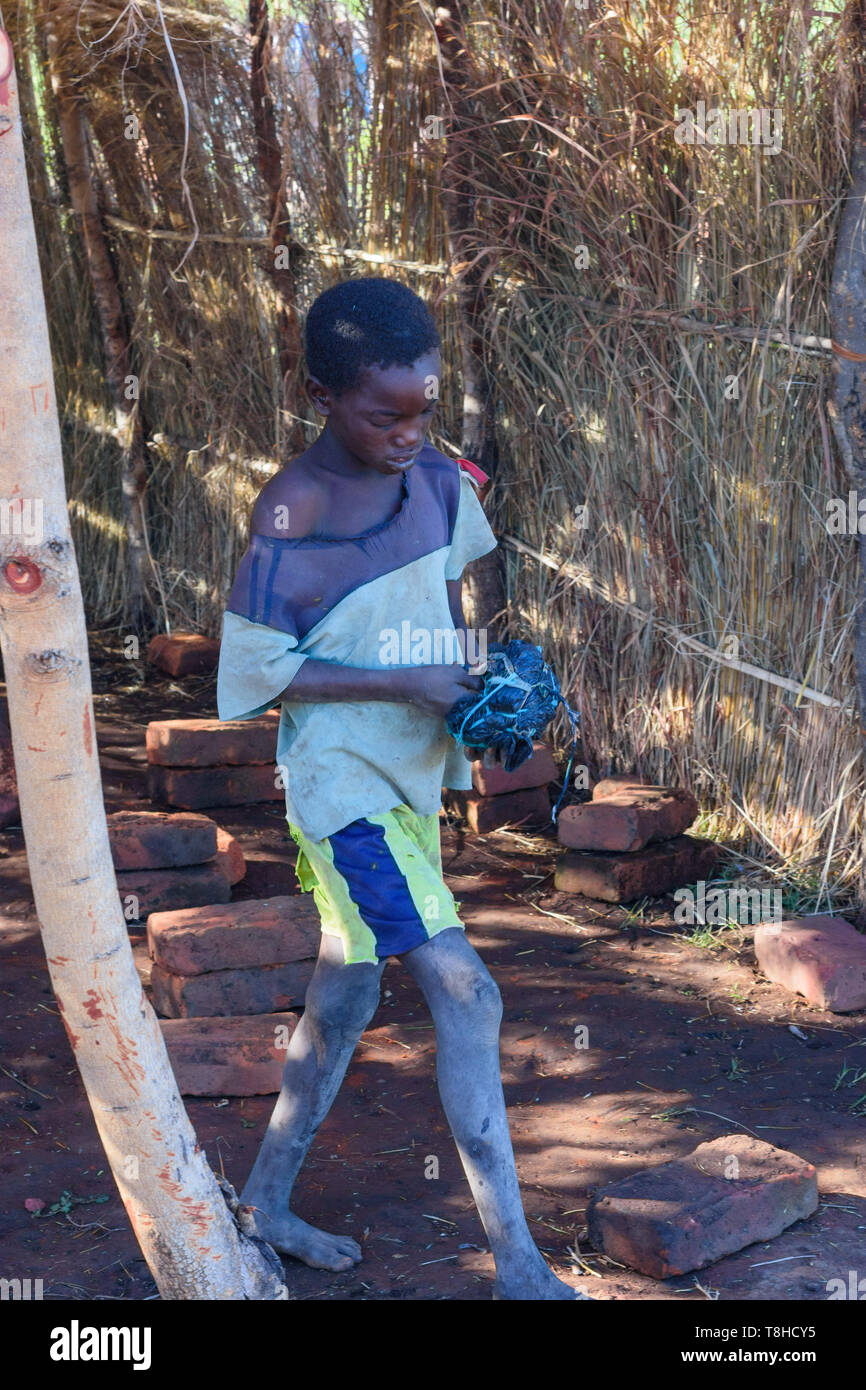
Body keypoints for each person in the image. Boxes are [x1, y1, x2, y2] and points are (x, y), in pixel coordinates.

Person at [216, 277, 584, 1299]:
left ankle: (265, 1204)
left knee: (344, 996)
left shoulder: (438, 486)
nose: (408, 432)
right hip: (341, 790)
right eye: (385, 414)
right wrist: (404, 680)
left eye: (423, 408)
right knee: (466, 992)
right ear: (320, 394)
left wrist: (473, 683)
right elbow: (251, 677)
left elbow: (443, 603)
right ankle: (516, 1264)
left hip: (411, 782)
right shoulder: (293, 509)